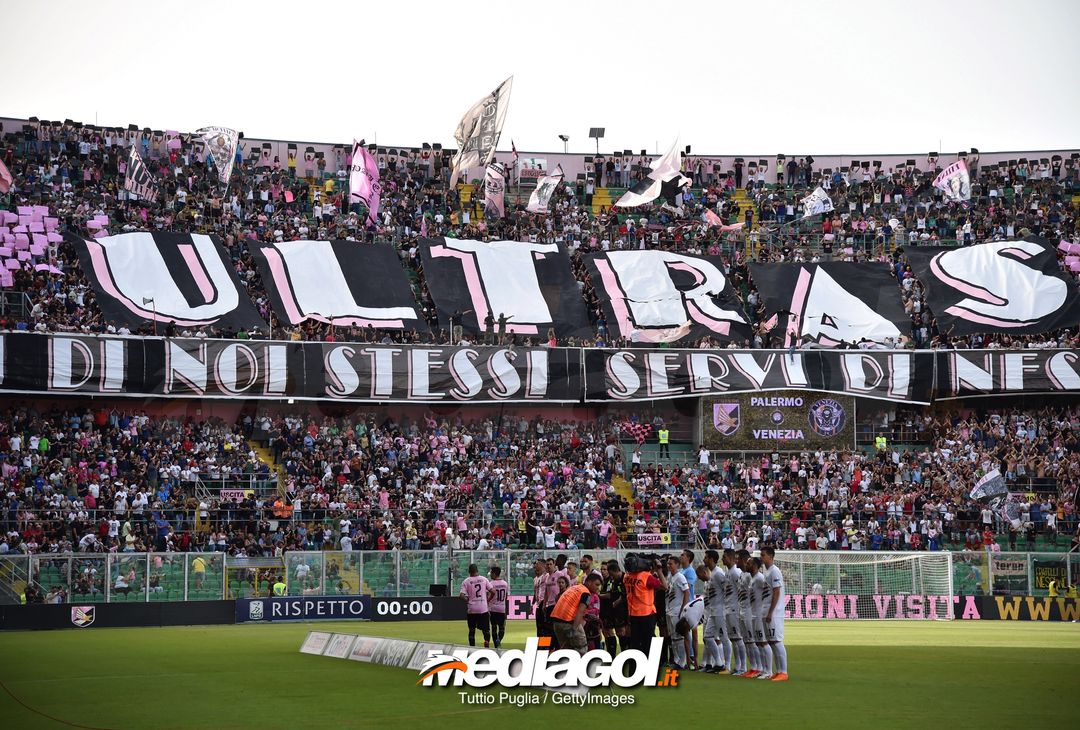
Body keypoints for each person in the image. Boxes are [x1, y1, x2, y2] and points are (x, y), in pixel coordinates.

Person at [550, 574, 602, 656]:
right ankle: (581, 668)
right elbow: (580, 611)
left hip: (556, 622)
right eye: (596, 584)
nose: (598, 588)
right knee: (582, 651)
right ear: (589, 582)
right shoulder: (585, 593)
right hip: (569, 622)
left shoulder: (574, 588)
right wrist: (574, 629)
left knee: (566, 652)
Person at [624, 555, 664, 653]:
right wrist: (659, 570)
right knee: (648, 642)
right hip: (647, 613)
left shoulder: (626, 576)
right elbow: (664, 586)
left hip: (633, 613)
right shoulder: (646, 576)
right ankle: (648, 664)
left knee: (635, 642)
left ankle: (635, 666)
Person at [761, 546, 789, 681]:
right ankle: (778, 671)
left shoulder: (775, 571)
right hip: (768, 610)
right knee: (772, 641)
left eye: (763, 555)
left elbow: (777, 592)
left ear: (771, 557)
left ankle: (783, 671)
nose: (761, 557)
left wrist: (771, 611)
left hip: (775, 612)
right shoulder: (767, 572)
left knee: (777, 641)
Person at [701, 549, 730, 673]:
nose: (704, 560)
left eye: (706, 557)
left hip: (720, 611)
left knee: (723, 638)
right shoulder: (713, 573)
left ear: (712, 559)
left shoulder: (718, 573)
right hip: (713, 611)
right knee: (707, 637)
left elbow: (726, 590)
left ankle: (726, 666)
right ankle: (718, 663)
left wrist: (725, 608)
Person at [748, 557, 774, 680]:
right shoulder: (752, 578)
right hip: (753, 614)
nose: (746, 565)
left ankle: (769, 671)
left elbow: (768, 592)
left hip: (758, 614)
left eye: (749, 563)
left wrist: (766, 609)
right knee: (758, 643)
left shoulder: (759, 578)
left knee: (763, 642)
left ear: (754, 565)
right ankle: (763, 669)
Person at [722, 549, 747, 675]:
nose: (722, 559)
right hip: (728, 608)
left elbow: (741, 591)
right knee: (733, 638)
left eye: (725, 557)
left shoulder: (736, 573)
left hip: (734, 609)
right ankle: (737, 666)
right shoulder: (728, 572)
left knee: (738, 638)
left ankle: (743, 667)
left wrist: (738, 607)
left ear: (731, 558)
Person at [665, 556, 690, 669]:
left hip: (676, 611)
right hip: (669, 610)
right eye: (668, 564)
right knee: (673, 637)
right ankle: (676, 659)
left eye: (671, 564)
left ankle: (682, 661)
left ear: (677, 565)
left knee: (678, 637)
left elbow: (687, 592)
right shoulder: (671, 576)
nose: (669, 565)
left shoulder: (680, 577)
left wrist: (683, 609)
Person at [458, 563, 491, 648]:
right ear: (477, 570)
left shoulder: (466, 581)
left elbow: (461, 595)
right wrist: (488, 600)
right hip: (483, 608)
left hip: (472, 609)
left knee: (472, 630)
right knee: (486, 630)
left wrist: (467, 600)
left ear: (469, 571)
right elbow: (493, 591)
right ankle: (486, 642)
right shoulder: (484, 579)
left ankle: (472, 647)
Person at [600, 560, 629, 655]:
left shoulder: (625, 578)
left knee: (622, 632)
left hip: (623, 610)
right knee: (614, 632)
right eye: (602, 569)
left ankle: (626, 654)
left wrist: (618, 601)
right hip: (612, 610)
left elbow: (625, 594)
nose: (603, 571)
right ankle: (613, 655)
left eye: (605, 569)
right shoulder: (611, 580)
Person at [488, 566, 509, 649]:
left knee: (493, 628)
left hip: (493, 608)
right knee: (502, 628)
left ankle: (496, 645)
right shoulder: (505, 583)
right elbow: (506, 596)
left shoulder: (491, 583)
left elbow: (489, 595)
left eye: (491, 573)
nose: (490, 575)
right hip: (502, 608)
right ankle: (499, 640)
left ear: (494, 573)